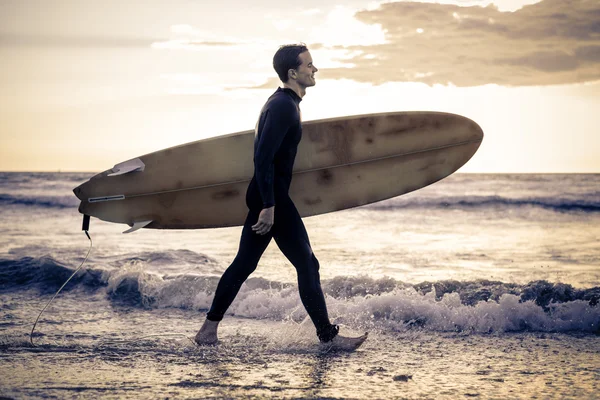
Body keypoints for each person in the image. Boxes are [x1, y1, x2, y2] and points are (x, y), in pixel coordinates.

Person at [195, 44, 368, 350]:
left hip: (269, 195)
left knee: (245, 264)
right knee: (307, 264)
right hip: (271, 197)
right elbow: (262, 159)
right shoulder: (283, 106)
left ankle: (208, 330)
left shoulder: (284, 103)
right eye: (309, 65)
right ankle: (328, 337)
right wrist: (269, 206)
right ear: (293, 72)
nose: (314, 70)